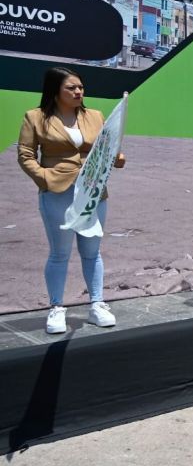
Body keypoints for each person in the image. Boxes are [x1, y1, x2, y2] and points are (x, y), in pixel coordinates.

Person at [17, 67, 126, 334]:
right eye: (71, 88)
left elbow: (107, 147)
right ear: (55, 91)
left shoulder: (95, 116)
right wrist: (44, 177)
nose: (78, 92)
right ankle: (56, 308)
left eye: (81, 87)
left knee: (92, 252)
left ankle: (97, 304)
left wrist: (117, 158)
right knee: (60, 253)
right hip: (57, 192)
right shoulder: (35, 117)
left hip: (93, 192)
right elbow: (25, 154)